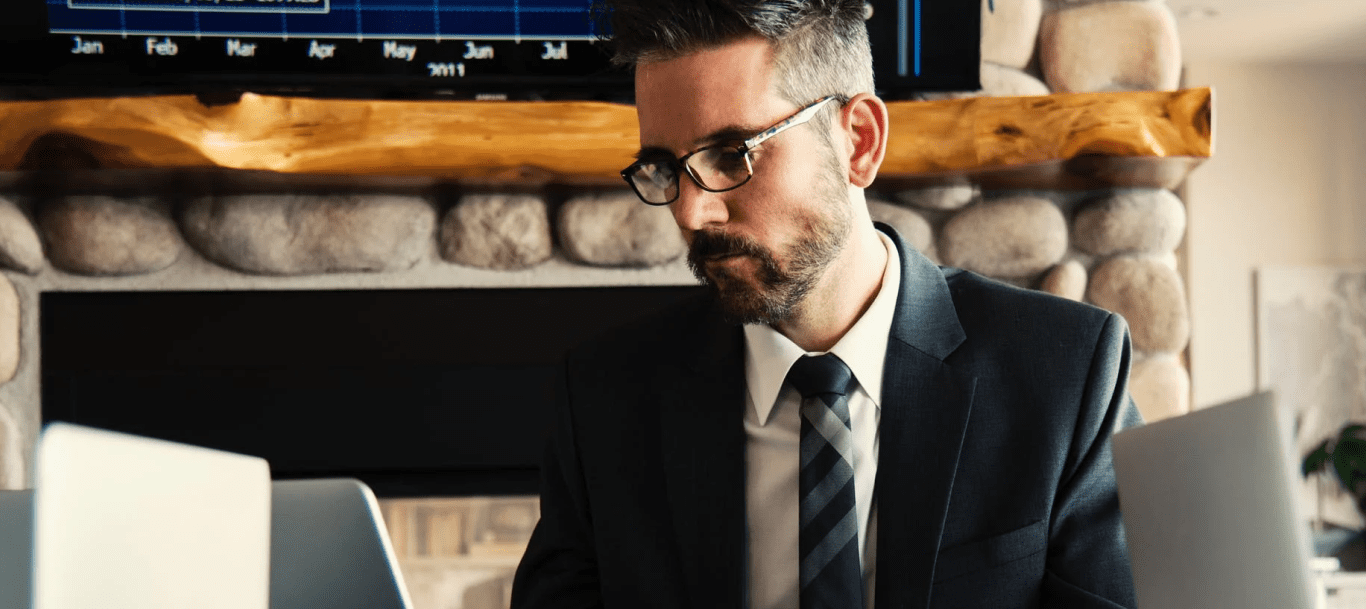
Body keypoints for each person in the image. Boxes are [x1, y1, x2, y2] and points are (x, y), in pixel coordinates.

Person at [511, 2, 1142, 607]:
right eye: (663, 167)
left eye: (733, 155)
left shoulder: (1067, 376)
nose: (691, 211)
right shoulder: (603, 399)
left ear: (859, 142)